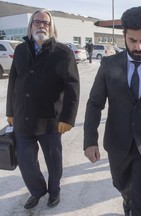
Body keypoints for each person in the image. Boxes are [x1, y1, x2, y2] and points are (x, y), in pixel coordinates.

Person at [83, 6, 141, 216]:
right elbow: (94, 104)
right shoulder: (109, 65)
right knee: (122, 186)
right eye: (132, 40)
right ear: (124, 36)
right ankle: (128, 198)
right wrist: (90, 140)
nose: (138, 46)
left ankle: (135, 204)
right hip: (118, 143)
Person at [6, 10, 80, 209]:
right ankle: (38, 191)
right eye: (37, 22)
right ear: (31, 26)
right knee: (25, 161)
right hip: (23, 117)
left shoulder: (63, 53)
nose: (41, 26)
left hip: (51, 121)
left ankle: (54, 192)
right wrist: (10, 111)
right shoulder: (21, 50)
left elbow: (72, 87)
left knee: (53, 161)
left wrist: (68, 118)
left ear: (51, 26)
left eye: (45, 23)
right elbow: (13, 80)